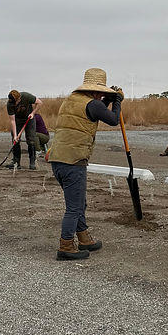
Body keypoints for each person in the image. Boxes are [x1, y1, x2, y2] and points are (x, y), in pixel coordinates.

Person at [50, 67, 123, 261]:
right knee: (74, 207)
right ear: (97, 90)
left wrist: (109, 100)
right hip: (74, 161)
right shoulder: (93, 104)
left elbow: (95, 111)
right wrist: (117, 102)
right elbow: (113, 120)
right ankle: (66, 245)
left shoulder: (71, 100)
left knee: (79, 202)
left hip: (58, 159)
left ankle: (84, 238)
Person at [6, 89, 42, 170]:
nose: (14, 104)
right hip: (17, 120)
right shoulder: (9, 104)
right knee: (15, 140)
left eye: (15, 102)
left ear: (19, 99)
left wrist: (33, 113)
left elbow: (40, 102)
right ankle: (16, 162)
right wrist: (15, 135)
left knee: (31, 140)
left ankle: (32, 162)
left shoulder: (26, 96)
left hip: (29, 119)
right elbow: (12, 120)